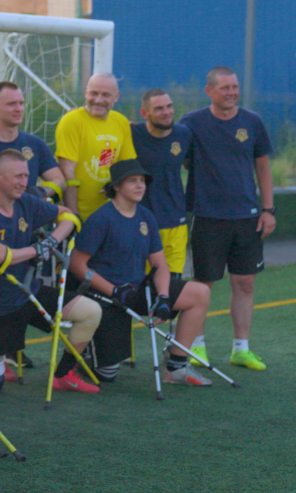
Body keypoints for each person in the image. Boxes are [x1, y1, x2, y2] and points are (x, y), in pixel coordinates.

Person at [0, 150, 102, 394]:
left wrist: (51, 241)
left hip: (29, 292)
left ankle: (63, 374)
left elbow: (70, 216)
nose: (24, 182)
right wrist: (36, 249)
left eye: (27, 175)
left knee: (91, 311)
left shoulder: (26, 202)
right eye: (18, 176)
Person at [69, 159, 212, 386]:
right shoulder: (101, 219)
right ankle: (86, 353)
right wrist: (113, 290)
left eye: (143, 181)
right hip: (105, 297)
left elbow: (159, 263)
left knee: (200, 293)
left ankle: (176, 366)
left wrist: (164, 296)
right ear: (116, 186)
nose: (140, 186)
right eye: (132, 181)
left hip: (137, 290)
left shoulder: (146, 216)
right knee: (107, 375)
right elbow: (76, 265)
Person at [179, 66, 275, 370]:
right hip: (207, 216)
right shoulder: (191, 123)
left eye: (235, 87)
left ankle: (241, 349)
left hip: (247, 217)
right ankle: (197, 346)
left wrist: (268, 209)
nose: (232, 92)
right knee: (202, 284)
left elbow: (263, 167)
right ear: (209, 91)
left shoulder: (253, 122)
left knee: (245, 282)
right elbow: (168, 149)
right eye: (225, 88)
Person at [0, 82, 65, 218]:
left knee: (69, 218)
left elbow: (60, 180)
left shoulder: (35, 144)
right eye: (12, 104)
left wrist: (41, 191)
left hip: (26, 228)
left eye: (21, 103)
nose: (19, 109)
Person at [54, 73, 137, 221]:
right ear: (86, 93)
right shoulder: (71, 121)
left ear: (116, 97)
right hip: (77, 215)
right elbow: (67, 172)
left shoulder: (121, 122)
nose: (98, 100)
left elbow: (127, 169)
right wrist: (73, 216)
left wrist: (114, 184)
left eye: (106, 95)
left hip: (112, 216)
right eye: (94, 93)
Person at [131, 89, 190, 277]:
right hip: (141, 223)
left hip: (176, 223)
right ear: (144, 113)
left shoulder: (184, 135)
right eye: (158, 108)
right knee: (141, 286)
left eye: (169, 106)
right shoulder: (131, 134)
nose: (166, 112)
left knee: (173, 284)